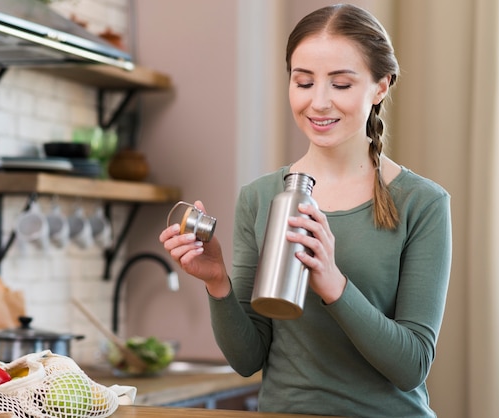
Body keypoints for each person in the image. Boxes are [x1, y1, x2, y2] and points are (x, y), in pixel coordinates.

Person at [159, 3, 452, 417]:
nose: (318, 102)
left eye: (341, 84)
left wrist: (333, 283)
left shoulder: (422, 202)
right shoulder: (259, 197)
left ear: (381, 85)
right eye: (304, 82)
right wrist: (217, 282)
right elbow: (247, 360)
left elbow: (412, 367)